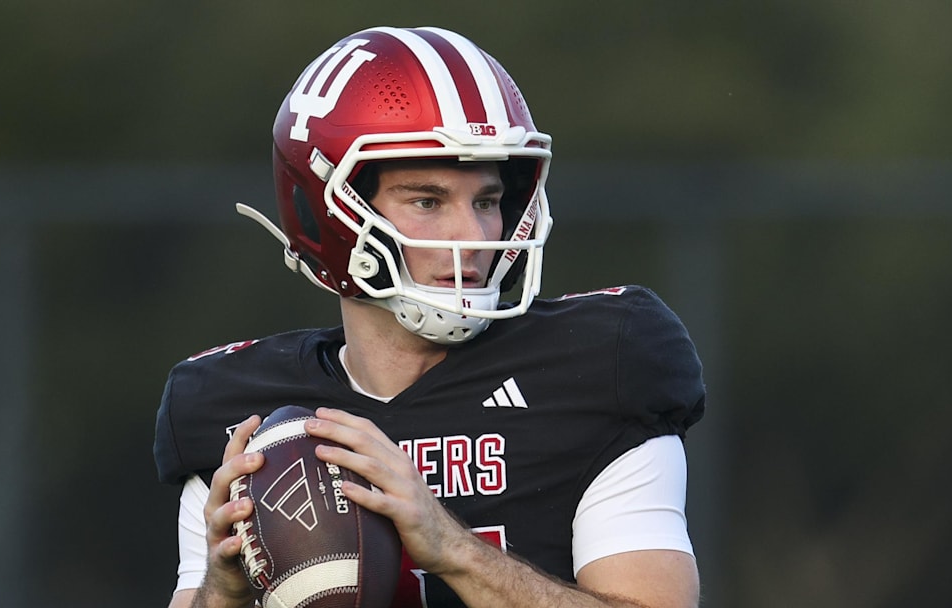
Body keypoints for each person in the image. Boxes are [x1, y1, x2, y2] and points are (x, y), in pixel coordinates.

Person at [154, 25, 706, 608]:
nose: (472, 235)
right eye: (427, 201)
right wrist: (225, 592)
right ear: (329, 213)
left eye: (487, 201)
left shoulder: (598, 366)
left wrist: (453, 547)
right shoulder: (240, 412)